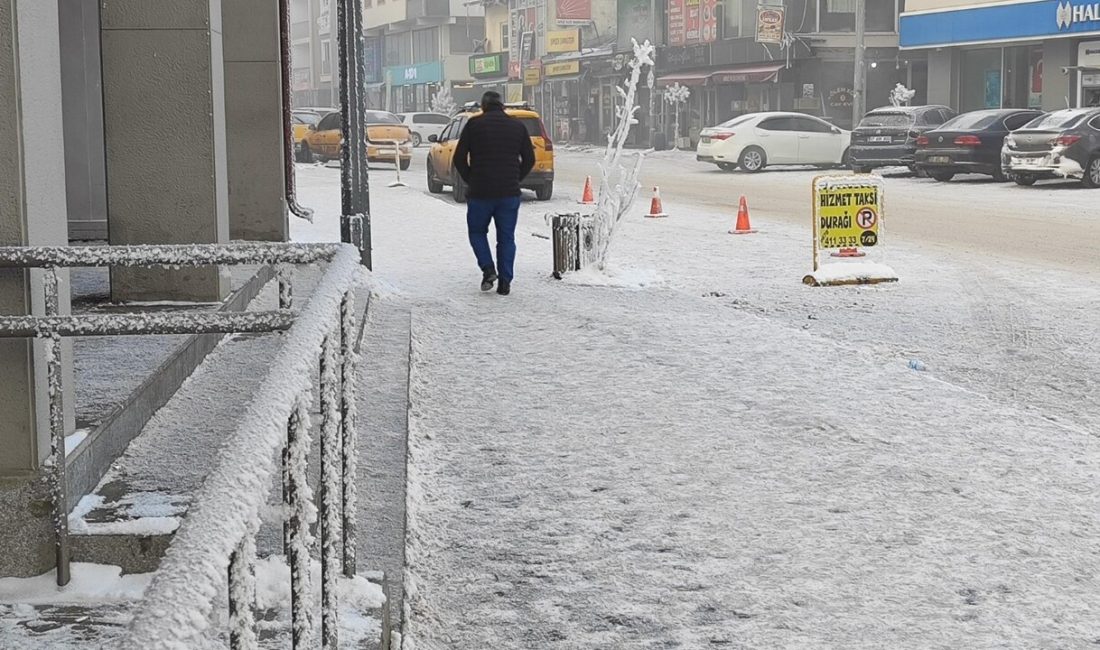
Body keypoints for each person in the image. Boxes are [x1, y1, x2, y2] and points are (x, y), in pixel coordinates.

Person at [453, 91, 535, 296]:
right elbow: (530, 159)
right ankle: (505, 282)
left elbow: (459, 158)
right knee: (506, 238)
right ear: (502, 106)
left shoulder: (474, 125)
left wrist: (471, 179)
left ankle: (488, 269)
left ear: (484, 106)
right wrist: (516, 179)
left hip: (480, 192)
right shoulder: (518, 127)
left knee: (477, 232)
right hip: (509, 194)